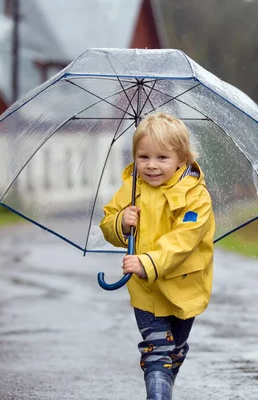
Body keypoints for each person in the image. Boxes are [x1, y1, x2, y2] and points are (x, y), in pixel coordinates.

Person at [99, 112, 215, 400]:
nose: (151, 165)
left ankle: (167, 370)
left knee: (173, 351)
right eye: (143, 156)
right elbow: (107, 223)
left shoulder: (195, 196)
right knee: (156, 353)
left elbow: (183, 240)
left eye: (162, 158)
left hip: (183, 289)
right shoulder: (131, 189)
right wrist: (120, 223)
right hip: (146, 291)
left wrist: (147, 261)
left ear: (182, 159)